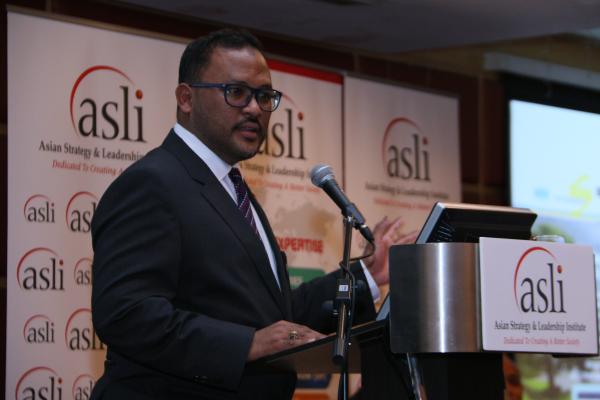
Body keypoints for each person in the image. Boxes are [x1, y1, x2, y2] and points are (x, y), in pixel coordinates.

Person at [90, 28, 411, 400]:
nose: (255, 108)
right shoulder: (152, 183)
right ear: (186, 98)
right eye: (236, 92)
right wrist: (247, 344)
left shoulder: (231, 186)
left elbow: (275, 319)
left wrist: (367, 275)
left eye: (264, 96)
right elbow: (125, 313)